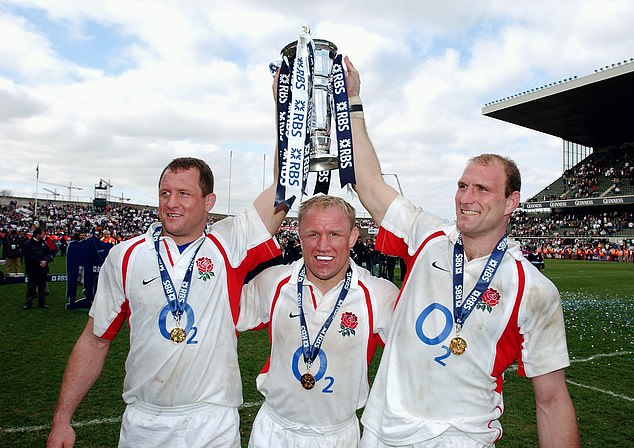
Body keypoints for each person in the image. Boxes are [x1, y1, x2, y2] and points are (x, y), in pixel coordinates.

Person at [343, 58, 580, 447]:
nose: (466, 198)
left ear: (510, 202)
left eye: (482, 189)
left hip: (461, 438)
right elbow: (368, 183)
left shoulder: (532, 289)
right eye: (462, 186)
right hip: (384, 433)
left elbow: (552, 400)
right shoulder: (428, 236)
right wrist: (353, 101)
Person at [47, 157, 287, 448]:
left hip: (212, 423)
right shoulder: (126, 256)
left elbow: (281, 189)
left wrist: (285, 113)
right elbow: (94, 341)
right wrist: (62, 420)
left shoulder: (229, 242)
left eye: (184, 194)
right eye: (165, 193)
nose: (171, 202)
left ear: (209, 201)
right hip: (143, 423)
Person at [237, 195, 398, 447]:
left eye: (334, 234)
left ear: (353, 237)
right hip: (275, 431)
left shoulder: (379, 294)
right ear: (299, 235)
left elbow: (416, 353)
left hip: (338, 435)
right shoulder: (273, 282)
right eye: (312, 234)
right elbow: (220, 311)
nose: (323, 245)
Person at [22, 227, 53, 309]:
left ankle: (42, 303)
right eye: (42, 234)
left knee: (42, 287)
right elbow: (27, 255)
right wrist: (39, 261)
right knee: (31, 287)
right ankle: (29, 302)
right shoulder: (28, 243)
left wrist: (45, 261)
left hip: (43, 269)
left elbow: (48, 253)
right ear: (37, 234)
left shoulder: (43, 243)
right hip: (33, 269)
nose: (44, 235)